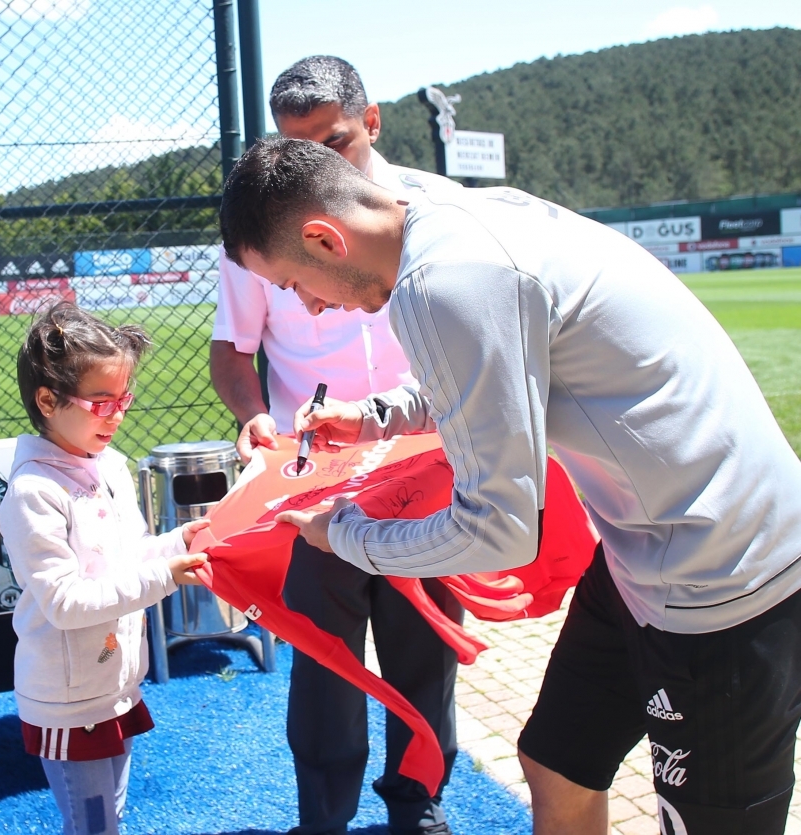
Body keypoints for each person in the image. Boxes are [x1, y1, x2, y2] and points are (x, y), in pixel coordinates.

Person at [217, 137, 801, 835]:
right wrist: (376, 414)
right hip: (645, 551)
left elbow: (499, 527)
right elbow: (503, 367)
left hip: (722, 576)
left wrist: (342, 534)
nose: (306, 308)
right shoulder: (447, 217)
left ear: (324, 238)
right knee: (557, 759)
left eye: (290, 284)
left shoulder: (441, 284)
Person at [210, 56, 463, 835]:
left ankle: (417, 804)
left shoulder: (437, 211)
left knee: (426, 646)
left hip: (424, 460)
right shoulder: (265, 226)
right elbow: (231, 353)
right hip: (314, 476)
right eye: (299, 146)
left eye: (335, 141)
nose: (317, 162)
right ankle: (323, 818)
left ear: (374, 122)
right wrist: (255, 416)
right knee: (324, 661)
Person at [0, 301, 209, 835]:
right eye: (101, 403)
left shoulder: (110, 466)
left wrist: (182, 540)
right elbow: (66, 603)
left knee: (109, 818)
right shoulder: (33, 493)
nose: (117, 416)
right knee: (94, 826)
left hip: (115, 682)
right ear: (47, 400)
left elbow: (130, 555)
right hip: (68, 698)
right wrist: (166, 575)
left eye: (124, 400)